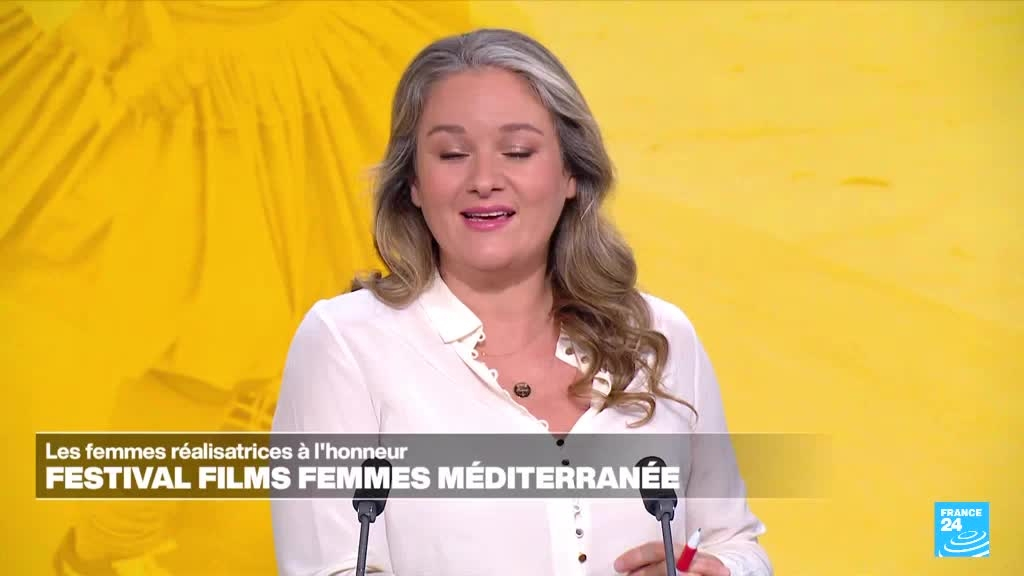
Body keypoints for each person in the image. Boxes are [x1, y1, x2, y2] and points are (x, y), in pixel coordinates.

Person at [271, 28, 772, 576]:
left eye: (517, 152)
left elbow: (734, 541)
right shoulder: (346, 344)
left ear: (571, 173)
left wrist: (719, 571)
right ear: (413, 182)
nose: (484, 180)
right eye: (452, 154)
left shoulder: (658, 337)